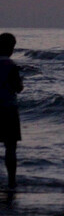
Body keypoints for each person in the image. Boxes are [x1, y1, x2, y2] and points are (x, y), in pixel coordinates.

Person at [0, 33, 24, 190]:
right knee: (10, 147)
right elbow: (18, 88)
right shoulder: (11, 65)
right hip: (8, 108)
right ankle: (11, 180)